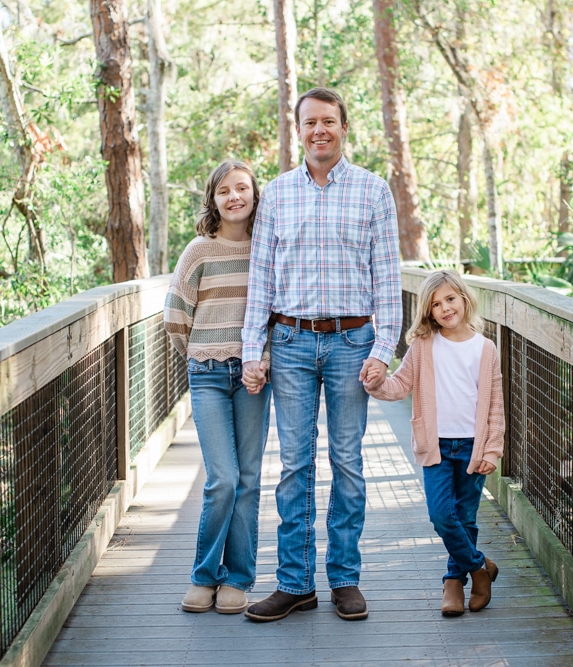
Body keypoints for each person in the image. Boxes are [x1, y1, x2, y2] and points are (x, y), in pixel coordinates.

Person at [240, 87, 402, 622]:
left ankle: (345, 579)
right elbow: (261, 280)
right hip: (289, 343)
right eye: (309, 122)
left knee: (348, 462)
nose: (319, 131)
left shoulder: (374, 191)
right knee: (294, 465)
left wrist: (383, 349)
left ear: (343, 127)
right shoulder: (277, 194)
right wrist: (252, 350)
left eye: (328, 121)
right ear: (299, 130)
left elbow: (388, 280)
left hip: (352, 344)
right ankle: (295, 583)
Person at [364, 270, 504, 617]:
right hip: (435, 445)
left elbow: (495, 405)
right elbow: (400, 386)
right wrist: (377, 383)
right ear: (428, 311)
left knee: (466, 517)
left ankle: (453, 582)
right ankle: (479, 568)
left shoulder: (485, 349)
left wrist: (492, 449)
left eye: (450, 299)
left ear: (464, 298)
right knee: (441, 515)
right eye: (436, 304)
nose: (445, 308)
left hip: (473, 446)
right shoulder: (423, 346)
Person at [165, 159, 271, 615]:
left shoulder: (266, 251)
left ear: (254, 195)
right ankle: (204, 575)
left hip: (252, 378)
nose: (234, 197)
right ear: (213, 199)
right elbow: (175, 316)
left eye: (241, 188)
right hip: (207, 374)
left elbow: (276, 315)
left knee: (247, 479)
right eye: (224, 190)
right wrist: (199, 353)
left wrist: (263, 360)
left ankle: (238, 578)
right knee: (222, 479)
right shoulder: (198, 251)